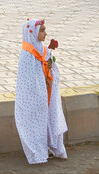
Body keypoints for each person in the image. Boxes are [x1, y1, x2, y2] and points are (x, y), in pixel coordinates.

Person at [14, 17, 67, 163]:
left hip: (47, 92)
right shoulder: (27, 53)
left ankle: (52, 146)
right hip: (35, 96)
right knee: (35, 121)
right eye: (42, 30)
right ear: (32, 32)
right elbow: (28, 79)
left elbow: (51, 68)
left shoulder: (43, 49)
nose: (45, 33)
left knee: (51, 117)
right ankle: (37, 151)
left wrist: (50, 72)